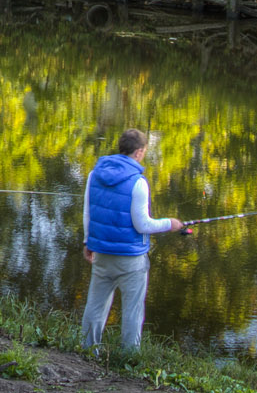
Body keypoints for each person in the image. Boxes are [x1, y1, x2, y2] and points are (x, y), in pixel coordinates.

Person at [80, 128, 183, 353]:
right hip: (131, 258)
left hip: (102, 252)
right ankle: (129, 357)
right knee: (133, 310)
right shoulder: (138, 182)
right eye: (144, 151)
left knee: (95, 305)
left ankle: (87, 350)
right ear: (138, 152)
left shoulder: (94, 174)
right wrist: (170, 224)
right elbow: (142, 225)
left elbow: (88, 212)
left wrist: (88, 242)